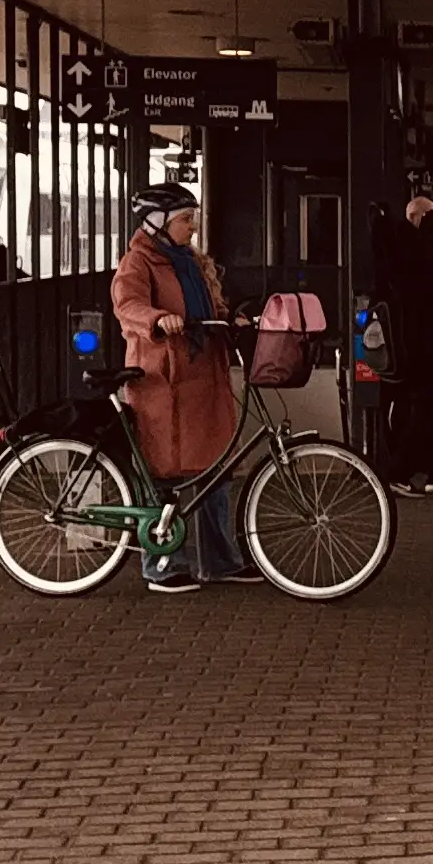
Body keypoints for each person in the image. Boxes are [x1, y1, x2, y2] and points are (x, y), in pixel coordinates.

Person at [112, 184, 249, 590]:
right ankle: (162, 565)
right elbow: (127, 305)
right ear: (158, 223)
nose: (192, 227)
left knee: (213, 471)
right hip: (163, 382)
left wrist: (228, 319)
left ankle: (221, 559)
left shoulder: (189, 261)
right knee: (164, 474)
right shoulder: (138, 262)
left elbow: (207, 306)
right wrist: (157, 318)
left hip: (201, 377)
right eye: (185, 219)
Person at [374, 193, 433, 494]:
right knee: (428, 412)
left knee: (429, 410)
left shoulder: (406, 249)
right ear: (417, 218)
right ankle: (397, 472)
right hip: (428, 349)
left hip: (418, 346)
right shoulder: (423, 256)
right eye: (429, 216)